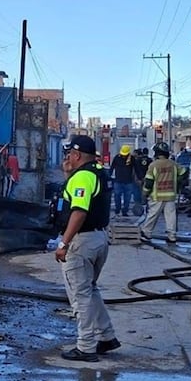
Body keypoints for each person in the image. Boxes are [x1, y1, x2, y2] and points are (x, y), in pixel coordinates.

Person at [53, 135, 120, 362]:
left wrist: (64, 243)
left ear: (77, 154)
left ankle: (86, 347)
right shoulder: (98, 171)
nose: (67, 157)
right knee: (90, 291)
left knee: (80, 295)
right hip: (99, 238)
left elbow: (79, 211)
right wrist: (67, 174)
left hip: (82, 242)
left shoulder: (83, 177)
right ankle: (106, 336)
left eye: (69, 154)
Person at [139, 143, 185, 244]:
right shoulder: (173, 164)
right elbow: (183, 172)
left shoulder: (154, 165)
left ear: (157, 153)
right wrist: (178, 182)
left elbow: (149, 182)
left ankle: (147, 233)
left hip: (157, 195)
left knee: (153, 215)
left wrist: (145, 193)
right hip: (171, 195)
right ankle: (172, 236)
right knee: (171, 216)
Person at [111, 144, 137, 217]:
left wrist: (140, 177)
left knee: (127, 197)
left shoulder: (132, 159)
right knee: (117, 195)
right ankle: (117, 209)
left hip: (128, 182)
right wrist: (108, 176)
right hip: (118, 181)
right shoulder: (117, 158)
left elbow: (136, 168)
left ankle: (125, 211)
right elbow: (112, 167)